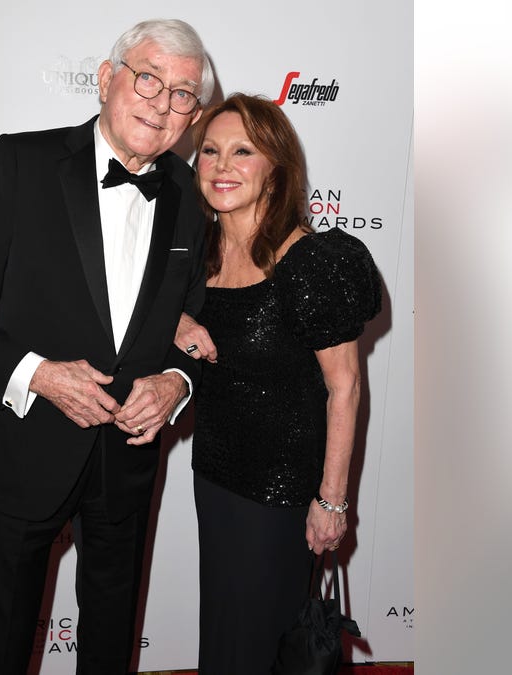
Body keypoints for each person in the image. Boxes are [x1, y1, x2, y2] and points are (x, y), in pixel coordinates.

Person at [0, 19, 214, 675]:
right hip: (21, 449)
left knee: (111, 646)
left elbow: (194, 319)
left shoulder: (192, 198)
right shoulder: (22, 164)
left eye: (181, 94)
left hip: (128, 462)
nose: (160, 102)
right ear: (107, 79)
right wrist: (36, 375)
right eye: (148, 78)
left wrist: (177, 381)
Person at [173, 93, 382, 675]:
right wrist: (178, 320)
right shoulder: (199, 254)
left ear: (277, 167)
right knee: (224, 632)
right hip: (214, 476)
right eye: (210, 151)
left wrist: (331, 501)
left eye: (243, 151)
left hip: (282, 494)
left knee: (263, 644)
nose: (222, 166)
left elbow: (346, 388)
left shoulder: (311, 261)